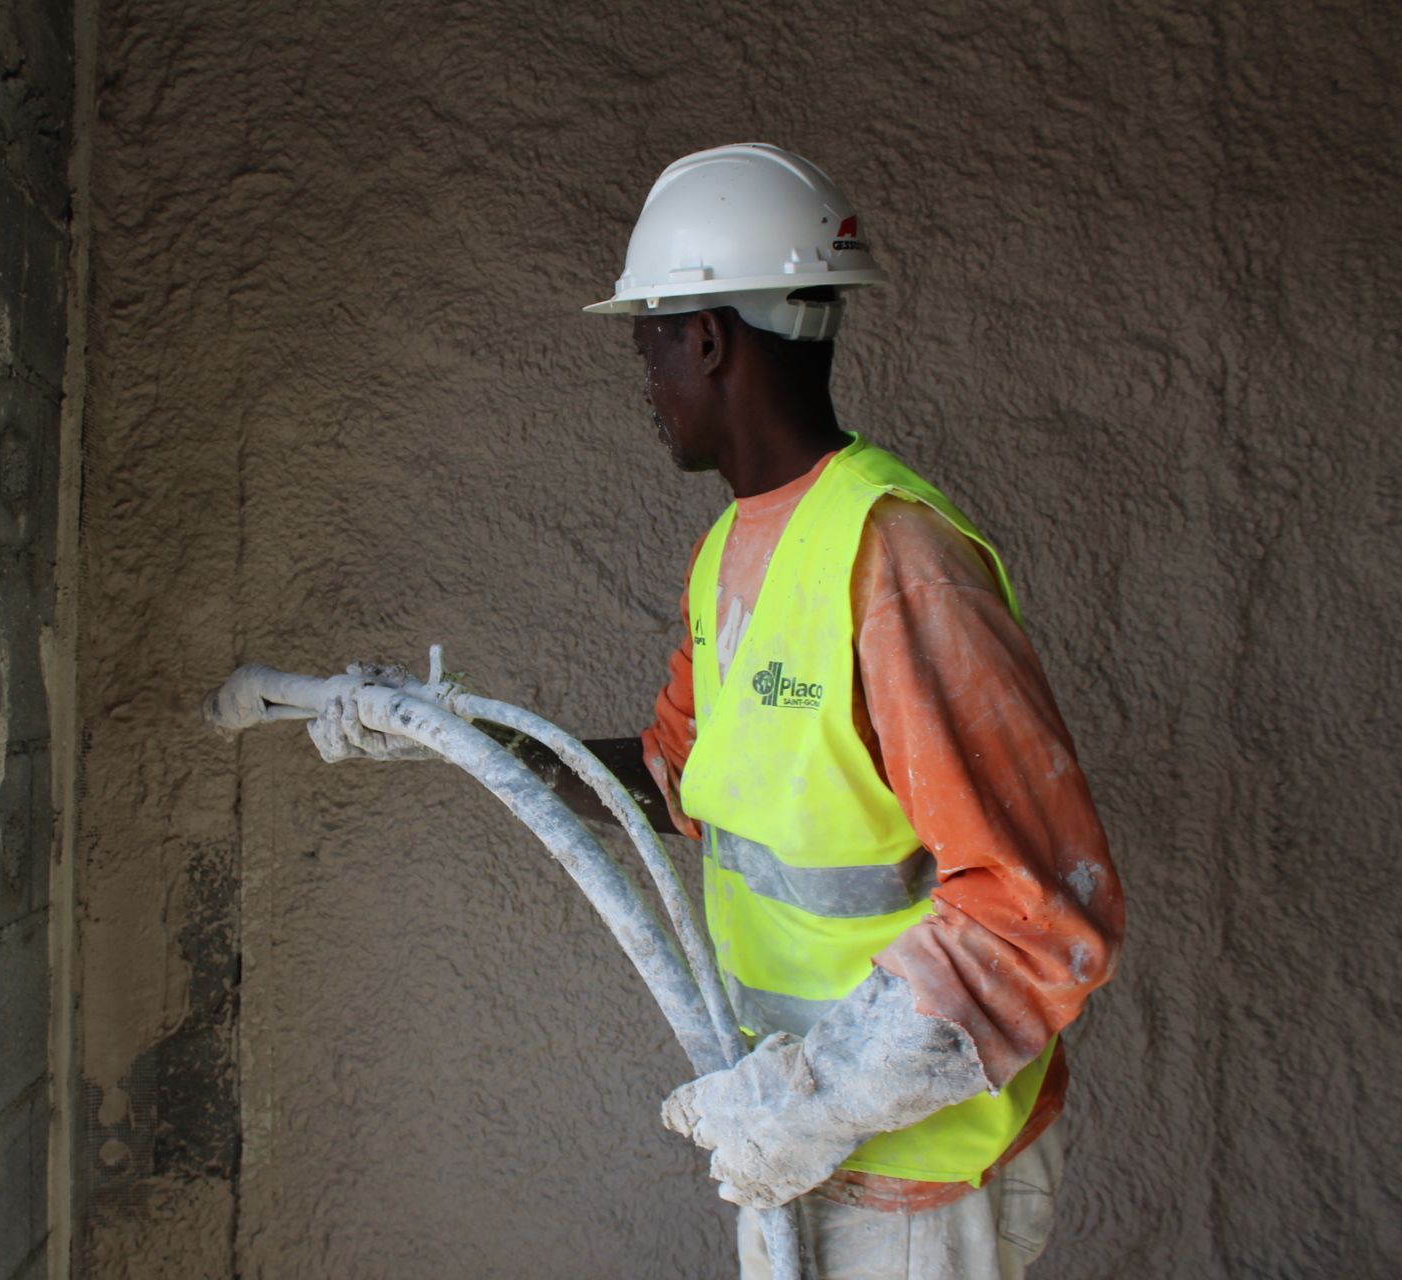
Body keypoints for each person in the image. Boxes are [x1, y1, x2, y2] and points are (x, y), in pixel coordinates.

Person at [317, 144, 1124, 1280]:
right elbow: (668, 780)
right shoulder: (731, 557)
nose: (642, 373)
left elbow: (1037, 912)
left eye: (646, 335)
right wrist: (445, 729)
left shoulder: (894, 562)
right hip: (809, 1147)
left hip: (914, 1179)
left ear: (708, 337)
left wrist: (817, 1100)